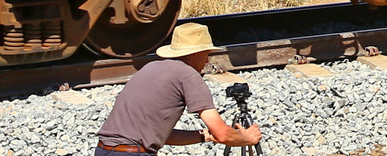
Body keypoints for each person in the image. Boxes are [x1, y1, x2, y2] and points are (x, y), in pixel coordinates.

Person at [94, 22, 263, 154]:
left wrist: (206, 136)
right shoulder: (188, 75)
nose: (207, 61)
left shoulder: (150, 68)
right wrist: (247, 139)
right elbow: (223, 134)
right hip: (133, 153)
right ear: (196, 53)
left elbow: (160, 135)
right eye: (207, 54)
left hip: (103, 150)